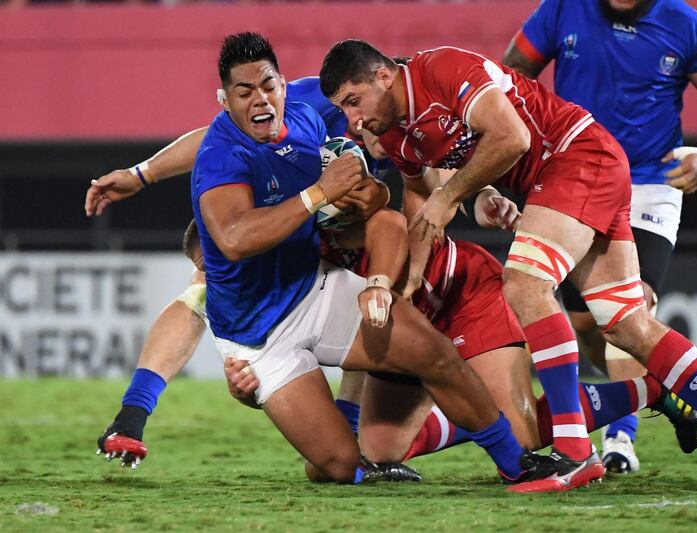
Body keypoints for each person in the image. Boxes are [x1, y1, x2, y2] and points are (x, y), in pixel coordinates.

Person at [318, 39, 697, 492]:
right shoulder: (397, 134)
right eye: (343, 108)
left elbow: (513, 136)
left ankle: (575, 452)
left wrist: (453, 194)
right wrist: (413, 280)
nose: (353, 119)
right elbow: (421, 202)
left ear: (383, 75)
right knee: (624, 323)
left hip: (576, 157)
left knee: (524, 283)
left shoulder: (441, 68)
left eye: (354, 101)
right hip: (569, 174)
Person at [114, 31, 540, 486]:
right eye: (244, 92)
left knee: (435, 356)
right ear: (225, 100)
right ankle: (135, 411)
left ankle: (520, 464)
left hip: (331, 284)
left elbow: (392, 209)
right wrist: (143, 174)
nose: (360, 122)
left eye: (268, 87)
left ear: (283, 85)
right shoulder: (223, 157)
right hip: (261, 335)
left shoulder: (326, 113)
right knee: (335, 466)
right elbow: (235, 240)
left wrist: (376, 254)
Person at [502, 0, 697, 475]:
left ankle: (620, 441)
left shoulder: (687, 24)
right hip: (576, 179)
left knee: (630, 309)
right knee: (588, 324)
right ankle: (656, 391)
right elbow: (515, 71)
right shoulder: (561, 11)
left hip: (649, 187)